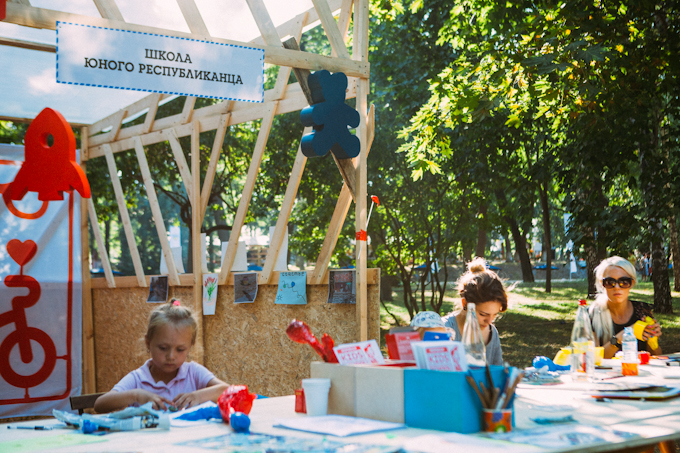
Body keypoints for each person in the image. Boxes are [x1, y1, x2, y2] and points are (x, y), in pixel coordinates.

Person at [94, 299, 228, 413]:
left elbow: (228, 390)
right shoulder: (138, 379)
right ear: (148, 343)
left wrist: (198, 396)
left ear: (190, 346)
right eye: (163, 348)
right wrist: (136, 395)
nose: (171, 356)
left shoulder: (193, 373)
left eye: (180, 349)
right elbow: (100, 404)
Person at [589, 256, 662, 359]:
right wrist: (620, 337)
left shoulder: (642, 310)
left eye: (624, 281)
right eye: (610, 282)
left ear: (632, 283)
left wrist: (653, 340)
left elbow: (656, 357)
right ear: (602, 284)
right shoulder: (591, 314)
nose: (617, 287)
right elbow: (592, 359)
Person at [441, 257, 508, 366]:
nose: (489, 321)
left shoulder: (492, 333)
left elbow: (497, 373)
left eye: (495, 315)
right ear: (465, 304)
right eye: (483, 314)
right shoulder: (444, 330)